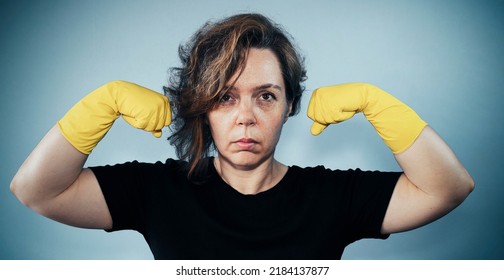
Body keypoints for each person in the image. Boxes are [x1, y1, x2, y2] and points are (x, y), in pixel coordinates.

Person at [10, 13, 474, 259]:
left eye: (266, 96)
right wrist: (100, 104)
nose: (246, 117)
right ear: (202, 108)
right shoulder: (156, 190)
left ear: (290, 105)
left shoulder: (333, 195)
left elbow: (448, 188)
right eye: (226, 98)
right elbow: (36, 191)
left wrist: (378, 103)